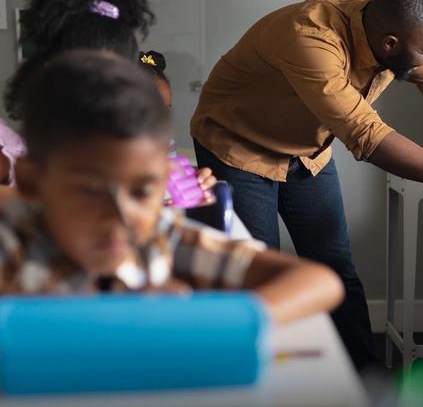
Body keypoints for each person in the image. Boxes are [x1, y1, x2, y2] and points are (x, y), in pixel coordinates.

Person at [191, 0, 423, 367]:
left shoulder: (395, 23)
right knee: (256, 272)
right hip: (237, 145)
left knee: (336, 269)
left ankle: (367, 385)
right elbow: (368, 136)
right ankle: (264, 390)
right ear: (390, 46)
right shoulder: (311, 38)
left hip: (307, 153)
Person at [2, 51, 344, 324]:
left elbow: (319, 282)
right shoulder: (11, 241)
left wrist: (194, 319)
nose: (121, 217)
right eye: (90, 191)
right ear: (33, 183)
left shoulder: (161, 239)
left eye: (141, 192)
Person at [4, 0, 216, 196]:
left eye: (118, 75)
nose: (106, 88)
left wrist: (184, 190)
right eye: (90, 73)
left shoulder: (131, 146)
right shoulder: (14, 155)